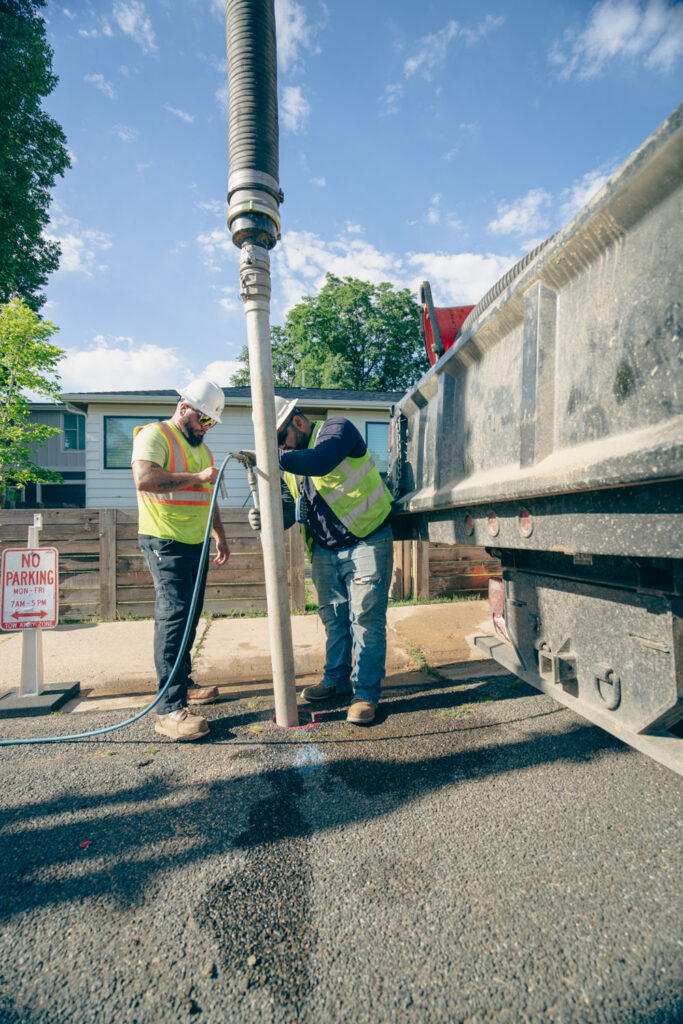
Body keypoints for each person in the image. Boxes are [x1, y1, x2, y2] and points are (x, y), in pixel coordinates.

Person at [249, 396, 394, 725]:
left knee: (366, 622)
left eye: (280, 440)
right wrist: (266, 517)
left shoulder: (336, 429)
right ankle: (336, 681)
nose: (280, 451)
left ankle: (365, 694)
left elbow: (320, 461)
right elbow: (289, 507)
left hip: (367, 540)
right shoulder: (290, 463)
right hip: (326, 549)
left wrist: (269, 456)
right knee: (334, 619)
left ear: (297, 423)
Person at [132, 379, 230, 741]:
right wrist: (196, 478)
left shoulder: (203, 451)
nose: (205, 427)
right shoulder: (154, 436)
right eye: (203, 420)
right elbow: (144, 479)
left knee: (190, 615)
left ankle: (184, 684)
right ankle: (169, 710)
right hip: (164, 540)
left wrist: (220, 534)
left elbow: (208, 496)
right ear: (184, 408)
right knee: (173, 616)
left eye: (211, 423)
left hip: (196, 541)